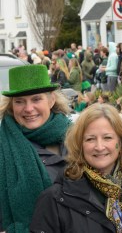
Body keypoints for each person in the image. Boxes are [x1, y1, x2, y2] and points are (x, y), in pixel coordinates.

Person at [30, 103, 122, 232]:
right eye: (90, 139)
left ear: (121, 143)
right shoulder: (54, 199)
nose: (99, 147)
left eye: (107, 138)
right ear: (79, 145)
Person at [0, 64, 71, 232]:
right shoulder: (3, 146)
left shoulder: (77, 137)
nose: (29, 108)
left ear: (51, 100)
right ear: (11, 105)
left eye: (36, 99)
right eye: (19, 101)